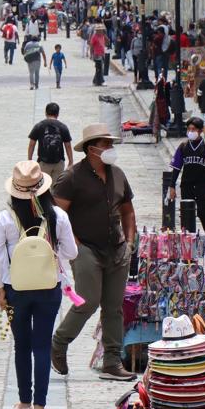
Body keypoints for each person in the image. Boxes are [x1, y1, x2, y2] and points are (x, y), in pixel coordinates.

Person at [0, 161, 79, 409]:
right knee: (41, 344)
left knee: (22, 345)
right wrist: (50, 257)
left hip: (15, 288)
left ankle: (24, 402)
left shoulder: (5, 218)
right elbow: (71, 252)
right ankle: (40, 405)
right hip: (48, 287)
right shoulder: (58, 216)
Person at [52, 123, 138, 382]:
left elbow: (128, 211)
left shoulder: (118, 175)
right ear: (92, 149)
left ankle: (112, 360)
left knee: (114, 307)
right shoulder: (72, 177)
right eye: (106, 144)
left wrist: (130, 243)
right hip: (85, 248)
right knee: (88, 301)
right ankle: (59, 342)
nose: (111, 148)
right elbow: (57, 214)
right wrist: (74, 244)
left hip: (116, 248)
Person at [168, 117, 205, 234]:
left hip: (204, 184)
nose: (190, 131)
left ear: (200, 131)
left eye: (193, 129)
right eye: (189, 129)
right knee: (186, 212)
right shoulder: (183, 146)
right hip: (187, 184)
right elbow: (176, 167)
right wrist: (172, 186)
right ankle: (187, 236)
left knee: (204, 211)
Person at [27, 102, 74, 182]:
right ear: (58, 114)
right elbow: (68, 145)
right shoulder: (63, 127)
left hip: (44, 163)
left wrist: (30, 160)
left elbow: (32, 144)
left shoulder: (39, 126)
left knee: (43, 187)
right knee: (56, 187)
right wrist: (71, 162)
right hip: (58, 163)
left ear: (46, 112)